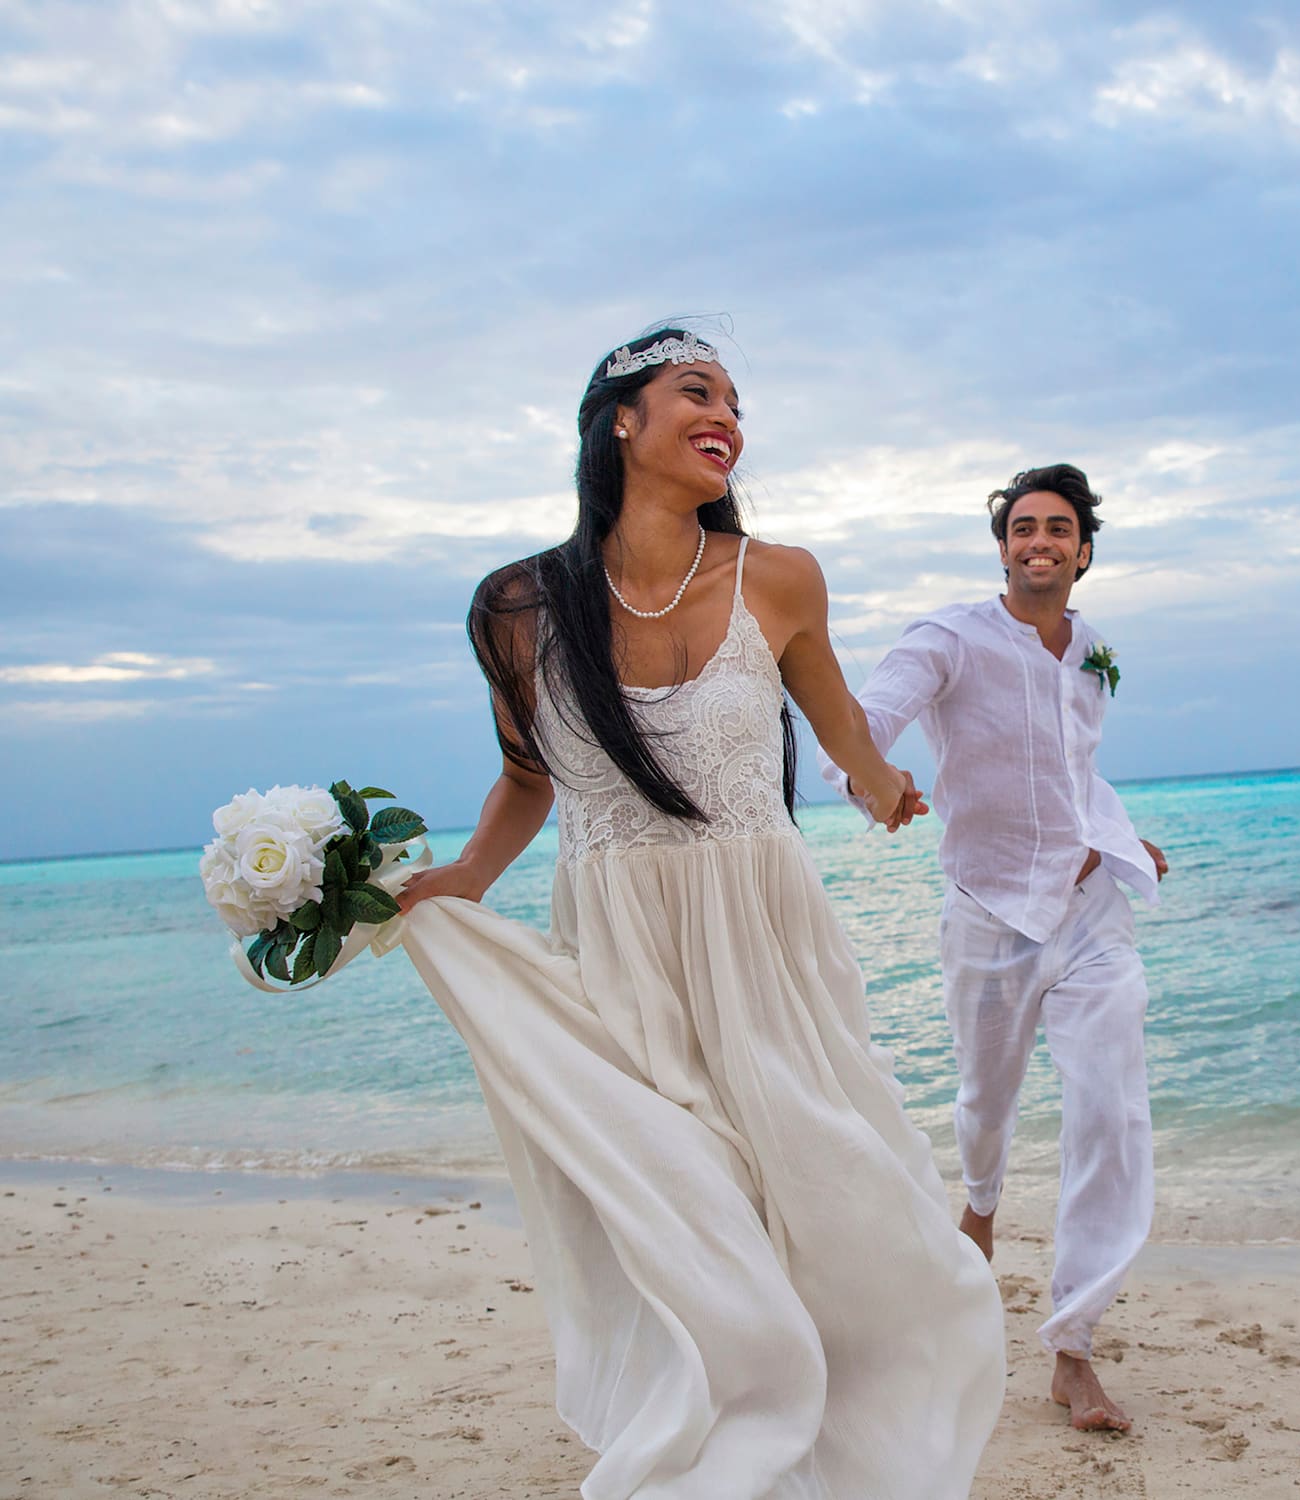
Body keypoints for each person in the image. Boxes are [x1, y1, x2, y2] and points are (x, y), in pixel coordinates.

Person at [389, 325, 1005, 1499]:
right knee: (693, 1210)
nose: (725, 415)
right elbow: (531, 776)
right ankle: (739, 1433)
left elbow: (837, 731)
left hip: (769, 951)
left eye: (733, 400)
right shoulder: (516, 607)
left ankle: (866, 1436)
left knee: (839, 1198)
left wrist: (883, 790)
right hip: (620, 954)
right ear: (620, 419)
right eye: (696, 392)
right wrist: (467, 877)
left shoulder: (779, 577)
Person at [819, 463, 1166, 1433]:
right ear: (1003, 546)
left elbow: (1076, 775)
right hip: (986, 913)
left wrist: (1124, 841)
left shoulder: (1092, 651)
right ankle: (976, 1207)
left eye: (1057, 528)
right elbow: (868, 720)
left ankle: (1071, 1345)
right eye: (1021, 527)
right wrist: (872, 780)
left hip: (1090, 910)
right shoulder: (949, 637)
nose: (1038, 541)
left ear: (1082, 550)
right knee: (984, 1107)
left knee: (1111, 1108)